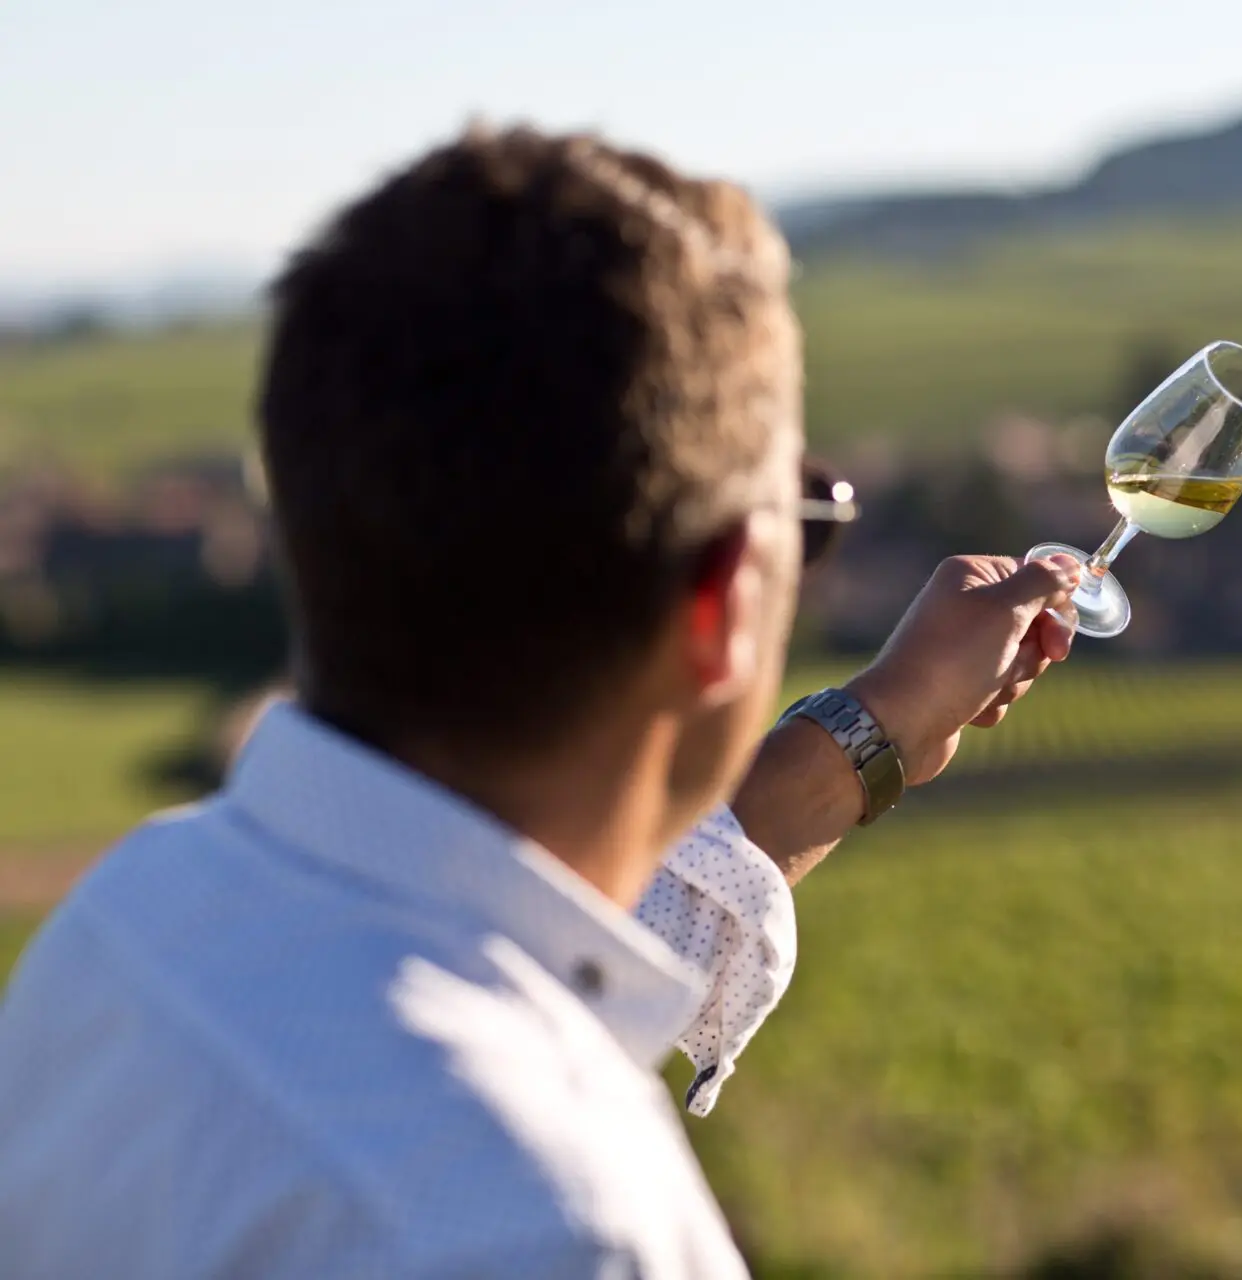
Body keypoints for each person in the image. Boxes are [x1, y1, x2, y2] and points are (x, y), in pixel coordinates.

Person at [0, 124, 1082, 1278]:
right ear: (721, 598)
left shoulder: (128, 926)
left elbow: (515, 926)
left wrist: (874, 732)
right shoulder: (562, 1231)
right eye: (807, 512)